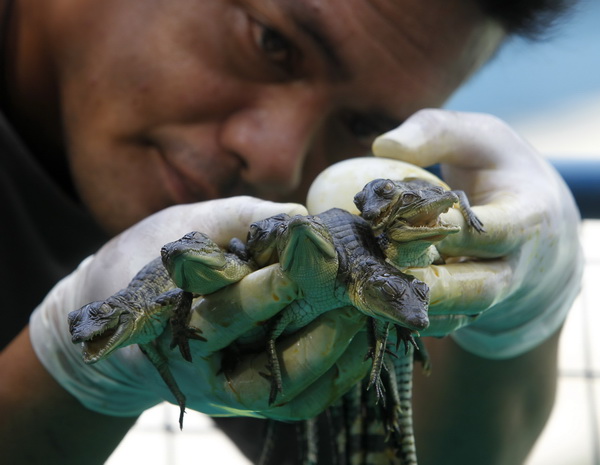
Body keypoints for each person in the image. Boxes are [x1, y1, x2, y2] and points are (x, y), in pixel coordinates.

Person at [0, 0, 583, 464]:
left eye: (362, 124)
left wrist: (515, 326)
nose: (279, 159)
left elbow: (415, 454)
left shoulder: (306, 256)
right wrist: (66, 375)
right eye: (270, 42)